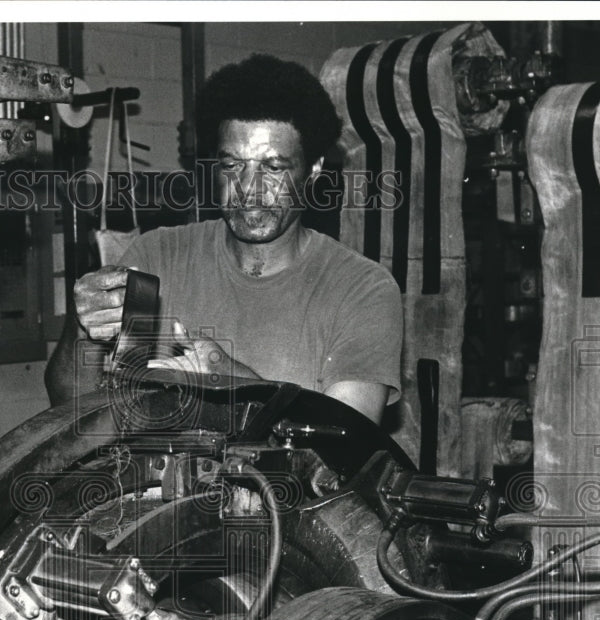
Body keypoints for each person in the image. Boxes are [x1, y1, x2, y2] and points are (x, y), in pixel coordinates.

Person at [45, 53, 403, 425]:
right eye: (232, 165)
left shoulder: (362, 289)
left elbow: (344, 443)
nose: (248, 188)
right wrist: (83, 329)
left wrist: (228, 378)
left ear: (314, 170)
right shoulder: (156, 255)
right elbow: (68, 411)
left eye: (274, 167)